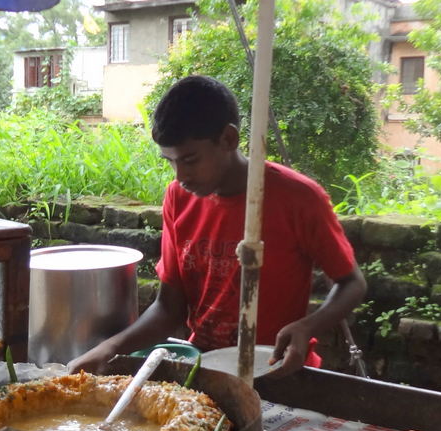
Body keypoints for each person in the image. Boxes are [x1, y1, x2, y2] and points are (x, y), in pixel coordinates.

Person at [68, 75, 366, 377]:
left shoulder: (298, 197)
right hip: (207, 369)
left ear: (228, 139)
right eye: (170, 162)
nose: (180, 175)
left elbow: (352, 282)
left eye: (190, 160)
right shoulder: (177, 197)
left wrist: (308, 327)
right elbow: (169, 307)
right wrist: (111, 348)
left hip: (279, 371)